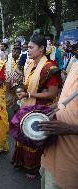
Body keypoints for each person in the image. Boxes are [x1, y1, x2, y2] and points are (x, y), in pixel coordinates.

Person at [13, 33, 60, 179]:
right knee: (25, 135)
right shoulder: (31, 65)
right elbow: (29, 87)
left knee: (34, 138)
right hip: (28, 105)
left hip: (41, 109)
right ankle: (24, 163)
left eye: (31, 47)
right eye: (28, 47)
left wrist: (29, 95)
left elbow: (52, 94)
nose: (28, 50)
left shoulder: (49, 68)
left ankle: (34, 168)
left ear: (41, 49)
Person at [39, 54, 78, 189]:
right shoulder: (75, 65)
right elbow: (66, 99)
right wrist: (47, 110)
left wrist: (70, 129)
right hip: (51, 153)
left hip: (71, 164)